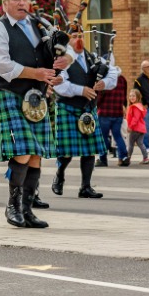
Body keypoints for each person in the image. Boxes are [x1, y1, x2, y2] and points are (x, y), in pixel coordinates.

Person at [0, 0, 70, 227]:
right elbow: (1, 64)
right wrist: (37, 74)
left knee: (35, 155)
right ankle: (12, 206)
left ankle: (27, 209)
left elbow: (58, 56)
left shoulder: (40, 25)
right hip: (12, 94)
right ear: (5, 4)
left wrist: (60, 67)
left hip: (37, 98)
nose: (22, 3)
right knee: (21, 152)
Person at [51, 29, 118, 199]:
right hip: (68, 107)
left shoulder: (93, 57)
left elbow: (113, 72)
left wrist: (105, 83)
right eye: (74, 36)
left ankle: (85, 187)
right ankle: (59, 175)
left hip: (88, 108)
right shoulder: (62, 60)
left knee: (89, 150)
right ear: (68, 40)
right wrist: (82, 90)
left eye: (80, 36)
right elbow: (60, 86)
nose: (78, 39)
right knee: (66, 152)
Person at [96, 71, 129, 167]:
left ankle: (103, 159)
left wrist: (96, 105)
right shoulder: (122, 79)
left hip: (105, 113)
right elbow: (124, 96)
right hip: (118, 113)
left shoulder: (104, 79)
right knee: (118, 136)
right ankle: (124, 157)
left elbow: (99, 97)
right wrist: (124, 107)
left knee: (103, 137)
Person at [125, 89, 149, 164]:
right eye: (130, 96)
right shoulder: (139, 106)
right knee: (140, 143)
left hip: (135, 129)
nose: (131, 97)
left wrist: (130, 127)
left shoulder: (135, 107)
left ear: (138, 97)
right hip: (141, 129)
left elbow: (135, 119)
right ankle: (146, 158)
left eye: (133, 96)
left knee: (131, 144)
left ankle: (128, 158)